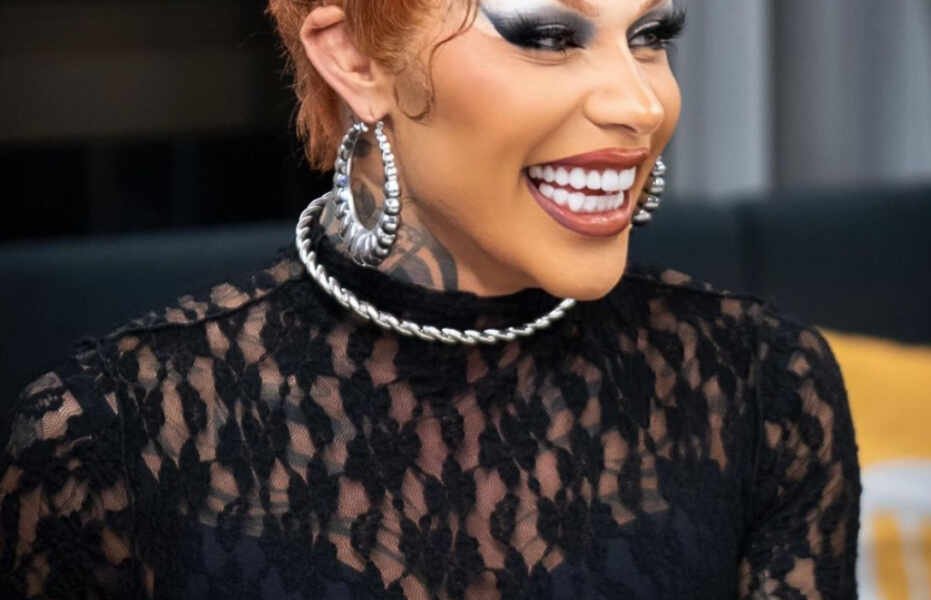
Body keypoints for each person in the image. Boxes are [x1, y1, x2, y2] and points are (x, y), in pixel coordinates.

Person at [0, 0, 861, 598]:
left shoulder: (762, 387)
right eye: (549, 37)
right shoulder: (109, 440)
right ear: (356, 58)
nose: (640, 103)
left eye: (650, 35)